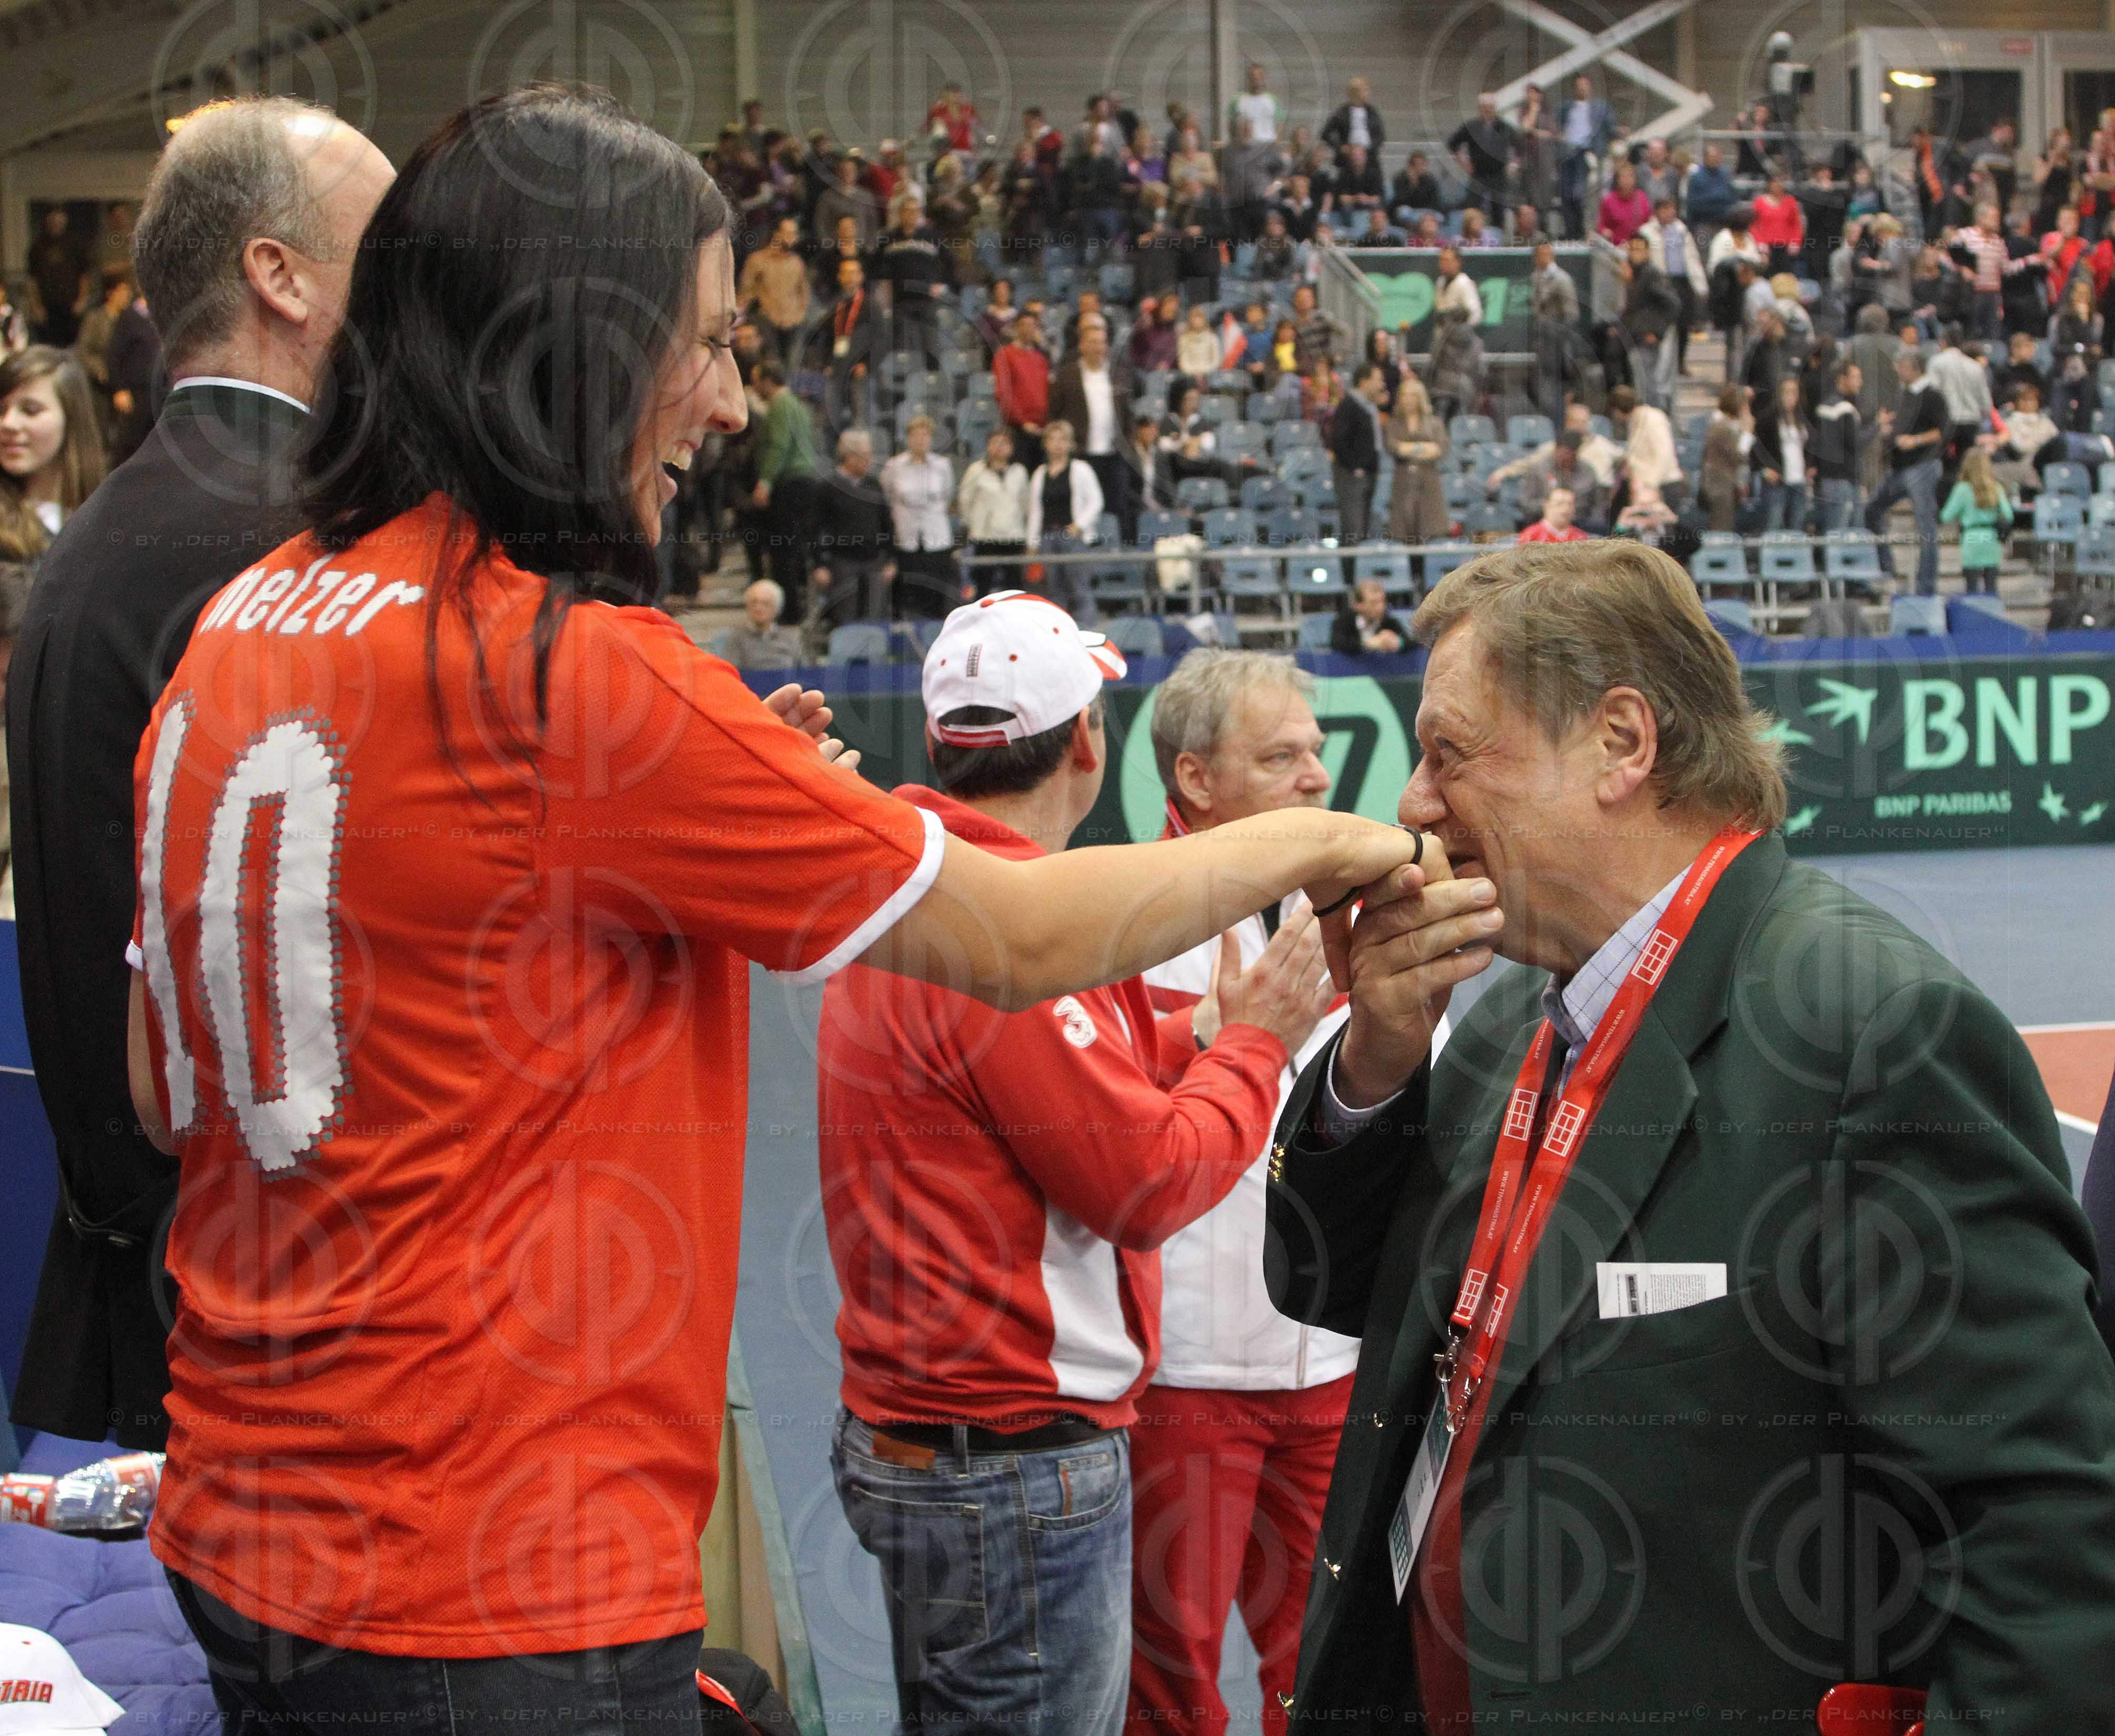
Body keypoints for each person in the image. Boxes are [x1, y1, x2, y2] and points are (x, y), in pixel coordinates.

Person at [136, 95, 1428, 1731]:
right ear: (580, 350)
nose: (734, 402)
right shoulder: (572, 676)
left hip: (247, 1511)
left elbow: (151, 1064)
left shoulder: (238, 620)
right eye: (708, 344)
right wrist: (1314, 839)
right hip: (483, 1570)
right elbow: (1021, 939)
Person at [1261, 538, 2115, 1732]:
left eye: (1448, 751)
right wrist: (1376, 1064)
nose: (1411, 802)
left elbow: (2052, 1540)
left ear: (1621, 743)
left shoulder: (1874, 1036)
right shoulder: (1512, 1008)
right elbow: (1323, 1284)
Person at [824, 603, 1333, 1736]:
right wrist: (1252, 1044)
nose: (1310, 775)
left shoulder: (924, 895)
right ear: (1092, 744)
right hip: (1015, 1456)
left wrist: (1196, 1035)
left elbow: (1030, 1087)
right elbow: (1143, 1185)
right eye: (1281, 753)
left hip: (947, 1437)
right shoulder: (1018, 933)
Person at [9, 97, 391, 1455]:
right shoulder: (302, 549)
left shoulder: (115, 532)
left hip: (147, 1300)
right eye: (382, 250)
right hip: (274, 1330)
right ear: (277, 276)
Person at [1129, 653, 1377, 1736]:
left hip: (1328, 1364)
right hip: (1187, 1374)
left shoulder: (1353, 906)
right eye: (1282, 757)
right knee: (1172, 1683)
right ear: (1195, 778)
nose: (1317, 775)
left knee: (1322, 1671)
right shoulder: (1122, 922)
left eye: (1317, 750)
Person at [0, 346, 104, 558]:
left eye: (30, 410)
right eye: (1, 411)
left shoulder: (108, 519)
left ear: (71, 419)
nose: (8, 423)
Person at [1049, 312, 1137, 543]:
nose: (1099, 347)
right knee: (1083, 510)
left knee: (1118, 508)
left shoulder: (1119, 374)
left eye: (1102, 342)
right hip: (1081, 455)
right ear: (1082, 345)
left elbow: (1128, 413)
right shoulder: (1067, 375)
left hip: (1114, 455)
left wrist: (1128, 443)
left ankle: (1118, 558)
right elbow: (1055, 413)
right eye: (1093, 342)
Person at [1866, 345, 1948, 594]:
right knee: (1872, 510)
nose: (1896, 369)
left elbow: (1941, 431)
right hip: (1900, 468)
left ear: (1914, 368)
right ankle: (1886, 564)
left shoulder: (1932, 395)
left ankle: (1926, 585)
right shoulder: (1904, 396)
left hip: (1921, 466)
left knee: (1926, 527)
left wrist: (1915, 441)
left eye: (1901, 365)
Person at [749, 358, 821, 614]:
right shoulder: (800, 405)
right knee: (797, 547)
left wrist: (765, 482)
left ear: (768, 381)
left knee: (783, 549)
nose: (755, 388)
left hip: (789, 483)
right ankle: (798, 604)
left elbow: (779, 445)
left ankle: (789, 610)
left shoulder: (779, 405)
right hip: (807, 481)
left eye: (757, 382)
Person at [1025, 418, 1103, 621]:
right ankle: (1058, 632)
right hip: (1048, 537)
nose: (1058, 444)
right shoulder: (1040, 474)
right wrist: (1033, 542)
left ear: (1070, 444)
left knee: (1080, 587)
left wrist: (1079, 526)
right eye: (1053, 440)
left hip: (1071, 536)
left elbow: (1096, 501)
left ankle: (1088, 630)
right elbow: (1036, 510)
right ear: (1046, 444)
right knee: (1054, 591)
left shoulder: (1081, 469)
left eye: (1063, 440)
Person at [879, 413, 955, 619]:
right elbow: (888, 496)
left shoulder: (943, 466)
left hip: (936, 540)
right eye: (916, 435)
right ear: (908, 438)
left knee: (935, 593)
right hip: (906, 540)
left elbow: (947, 495)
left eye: (925, 435)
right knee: (907, 593)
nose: (920, 440)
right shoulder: (894, 467)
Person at [958, 425, 1030, 596]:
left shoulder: (1019, 472)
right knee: (983, 584)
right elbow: (965, 501)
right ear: (988, 446)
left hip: (1013, 537)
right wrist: (976, 525)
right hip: (985, 538)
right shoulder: (976, 471)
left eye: (1004, 443)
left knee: (1014, 586)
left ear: (1011, 447)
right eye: (995, 442)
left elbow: (1025, 503)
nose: (999, 447)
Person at [1640, 196, 1704, 375]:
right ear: (1658, 211)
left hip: (1681, 281)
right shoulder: (1646, 232)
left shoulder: (1682, 231)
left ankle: (1680, 362)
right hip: (1659, 281)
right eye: (1667, 209)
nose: (1671, 213)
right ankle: (1661, 362)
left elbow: (1692, 258)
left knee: (1683, 324)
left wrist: (1700, 285)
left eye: (1673, 209)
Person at [1617, 233, 1680, 411]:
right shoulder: (1633, 275)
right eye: (1632, 249)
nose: (1635, 253)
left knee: (1646, 386)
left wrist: (1658, 332)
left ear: (1647, 252)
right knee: (1640, 385)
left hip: (1646, 338)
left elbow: (1673, 304)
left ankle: (1655, 421)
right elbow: (1633, 307)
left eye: (1639, 249)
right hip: (1634, 337)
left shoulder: (1651, 274)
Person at [1385, 374, 1451, 545]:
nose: (1408, 400)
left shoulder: (1434, 423)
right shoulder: (1394, 423)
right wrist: (1424, 447)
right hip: (1403, 482)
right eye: (1404, 395)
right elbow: (1395, 448)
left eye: (1412, 395)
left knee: (1430, 529)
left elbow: (1439, 449)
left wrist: (1409, 448)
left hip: (1428, 481)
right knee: (1404, 529)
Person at [1809, 358, 1872, 532]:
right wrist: (1878, 426)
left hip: (1829, 478)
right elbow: (1856, 443)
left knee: (1834, 530)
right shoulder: (1845, 409)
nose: (1860, 382)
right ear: (1843, 379)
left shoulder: (1823, 407)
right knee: (1843, 532)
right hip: (1844, 479)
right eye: (1856, 377)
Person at [1941, 447, 2013, 595]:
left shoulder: (1962, 489)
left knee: (1972, 588)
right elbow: (2009, 514)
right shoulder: (1996, 488)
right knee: (1991, 587)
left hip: (1971, 538)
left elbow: (1946, 516)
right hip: (1991, 538)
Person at [1328, 362, 1387, 543]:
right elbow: (1337, 441)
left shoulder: (1369, 406)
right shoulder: (1349, 406)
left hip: (1367, 473)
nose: (1382, 385)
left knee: (1363, 528)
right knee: (1353, 529)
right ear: (1364, 381)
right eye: (1378, 380)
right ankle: (1349, 570)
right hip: (1352, 476)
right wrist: (1355, 466)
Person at [738, 215, 810, 363]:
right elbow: (745, 292)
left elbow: (804, 293)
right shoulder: (757, 260)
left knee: (793, 363)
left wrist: (800, 314)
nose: (793, 238)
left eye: (794, 234)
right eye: (789, 233)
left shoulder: (797, 263)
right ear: (777, 234)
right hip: (766, 322)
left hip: (793, 323)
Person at [1558, 73, 1616, 240]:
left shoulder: (1601, 107)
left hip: (1592, 154)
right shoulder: (1566, 107)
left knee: (1590, 195)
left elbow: (1611, 128)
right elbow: (1557, 126)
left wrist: (1619, 133)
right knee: (1570, 194)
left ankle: (1591, 230)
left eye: (1585, 85)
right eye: (1579, 86)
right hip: (1570, 154)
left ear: (1590, 88)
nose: (1582, 89)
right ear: (1574, 89)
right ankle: (1573, 230)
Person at [1752, 372, 1811, 531]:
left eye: (1794, 392)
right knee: (1774, 525)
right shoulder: (1768, 419)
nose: (1790, 396)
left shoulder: (1802, 419)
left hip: (1798, 480)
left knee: (1797, 525)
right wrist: (1765, 470)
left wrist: (1810, 467)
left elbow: (1808, 447)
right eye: (1786, 392)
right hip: (1778, 481)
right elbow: (1756, 449)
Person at [1607, 383, 1681, 509]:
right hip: (1641, 487)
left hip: (1661, 486)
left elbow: (1664, 455)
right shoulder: (1635, 421)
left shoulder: (1654, 419)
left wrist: (1651, 486)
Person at [995, 308, 1053, 471]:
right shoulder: (1005, 355)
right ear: (1016, 328)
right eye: (1024, 325)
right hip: (1018, 429)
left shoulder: (1041, 358)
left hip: (1041, 428)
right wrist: (1022, 421)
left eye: (1032, 326)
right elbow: (1003, 393)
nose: (1028, 329)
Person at [1448, 94, 1516, 217]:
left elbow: (1519, 146)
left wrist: (1513, 164)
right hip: (1479, 174)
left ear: (1495, 108)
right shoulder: (1471, 127)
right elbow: (1453, 144)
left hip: (1499, 174)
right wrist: (1464, 163)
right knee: (1472, 209)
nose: (1488, 110)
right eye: (1485, 107)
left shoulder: (1505, 127)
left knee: (1499, 209)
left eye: (1490, 107)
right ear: (1479, 109)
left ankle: (1497, 234)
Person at [1700, 384, 1751, 532]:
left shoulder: (1727, 426)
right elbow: (1739, 456)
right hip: (1719, 486)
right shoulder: (1721, 427)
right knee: (1721, 528)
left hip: (1725, 484)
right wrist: (1748, 434)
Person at [723, 577, 806, 669]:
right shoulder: (736, 638)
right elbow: (730, 674)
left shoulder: (791, 638)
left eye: (765, 603)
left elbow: (804, 672)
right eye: (754, 603)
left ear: (776, 608)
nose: (758, 608)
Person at [1331, 577, 1412, 654]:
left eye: (1383, 601)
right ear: (1358, 605)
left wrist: (1398, 642)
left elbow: (1411, 643)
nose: (1381, 607)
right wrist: (1367, 644)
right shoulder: (1343, 621)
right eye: (1374, 603)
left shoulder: (1389, 622)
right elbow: (1337, 644)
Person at [1749, 171, 1804, 275]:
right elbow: (1754, 226)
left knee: (1786, 275)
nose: (1778, 185)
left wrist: (1795, 242)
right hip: (1766, 246)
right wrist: (1760, 244)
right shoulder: (1759, 202)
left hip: (1786, 247)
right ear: (1769, 184)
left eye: (1780, 182)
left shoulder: (1790, 201)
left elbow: (1796, 224)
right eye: (1775, 182)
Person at [1595, 161, 1650, 249]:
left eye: (1630, 176)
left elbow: (1648, 222)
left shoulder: (1642, 198)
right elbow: (1601, 226)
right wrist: (1605, 232)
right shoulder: (1609, 200)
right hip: (1617, 248)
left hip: (1638, 249)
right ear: (1618, 180)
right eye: (1624, 177)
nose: (1628, 180)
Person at [1514, 482, 1588, 543]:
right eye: (1559, 504)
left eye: (1570, 504)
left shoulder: (1581, 538)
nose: (1565, 509)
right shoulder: (1531, 536)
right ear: (1547, 506)